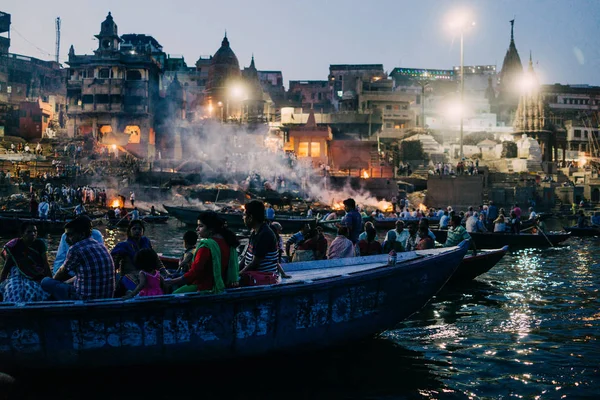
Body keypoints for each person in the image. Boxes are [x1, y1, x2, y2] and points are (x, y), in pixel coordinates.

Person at [166, 211, 240, 293]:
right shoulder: (228, 243)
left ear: (211, 229)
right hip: (222, 285)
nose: (197, 229)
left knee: (174, 294)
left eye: (200, 226)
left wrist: (171, 282)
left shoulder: (206, 246)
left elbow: (194, 273)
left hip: (203, 288)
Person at [41, 218, 115, 300]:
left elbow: (62, 272)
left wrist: (54, 283)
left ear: (82, 235)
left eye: (70, 235)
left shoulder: (76, 248)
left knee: (46, 281)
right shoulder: (100, 245)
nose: (66, 239)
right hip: (106, 296)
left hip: (84, 298)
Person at [0, 223, 51, 302]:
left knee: (33, 290)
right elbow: (6, 268)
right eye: (29, 232)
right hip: (16, 275)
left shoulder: (40, 244)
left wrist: (51, 280)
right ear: (22, 234)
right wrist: (2, 283)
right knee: (14, 290)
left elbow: (45, 264)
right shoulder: (15, 245)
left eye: (35, 231)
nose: (33, 234)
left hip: (36, 275)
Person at [111, 220, 165, 294]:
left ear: (143, 231)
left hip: (147, 273)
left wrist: (165, 271)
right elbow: (113, 264)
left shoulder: (146, 242)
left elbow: (155, 259)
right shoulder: (122, 246)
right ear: (129, 231)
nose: (137, 231)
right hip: (129, 275)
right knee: (140, 288)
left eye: (139, 229)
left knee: (164, 282)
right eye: (134, 229)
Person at [238, 200, 281, 286]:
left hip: (263, 278)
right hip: (252, 275)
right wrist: (236, 270)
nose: (243, 218)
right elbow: (247, 256)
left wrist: (237, 274)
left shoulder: (265, 234)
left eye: (244, 215)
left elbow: (255, 264)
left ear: (251, 217)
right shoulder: (255, 231)